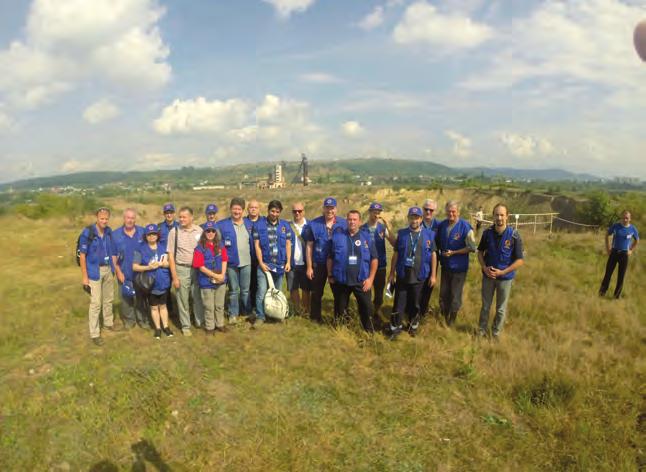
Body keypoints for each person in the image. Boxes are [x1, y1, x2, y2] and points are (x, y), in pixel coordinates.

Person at [477, 204, 524, 340]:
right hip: (488, 276)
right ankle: (481, 331)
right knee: (485, 306)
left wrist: (503, 272)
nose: (499, 218)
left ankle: (495, 333)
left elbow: (520, 260)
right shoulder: (487, 233)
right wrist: (484, 267)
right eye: (497, 215)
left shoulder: (514, 235)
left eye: (502, 215)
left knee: (501, 309)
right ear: (493, 216)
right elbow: (480, 252)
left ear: (507, 216)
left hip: (505, 278)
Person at [388, 207, 437, 337]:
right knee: (399, 304)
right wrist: (392, 273)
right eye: (412, 217)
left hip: (420, 276)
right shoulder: (402, 233)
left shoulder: (429, 235)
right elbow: (396, 254)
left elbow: (433, 255)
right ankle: (395, 329)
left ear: (421, 219)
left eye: (417, 217)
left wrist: (433, 275)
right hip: (403, 276)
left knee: (415, 304)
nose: (414, 220)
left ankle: (412, 326)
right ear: (408, 218)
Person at [327, 210, 378, 332]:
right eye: (350, 219)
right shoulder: (337, 237)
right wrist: (329, 274)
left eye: (355, 219)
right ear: (346, 221)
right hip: (341, 281)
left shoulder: (366, 238)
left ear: (360, 222)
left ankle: (368, 331)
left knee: (367, 308)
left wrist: (370, 279)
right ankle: (341, 330)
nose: (352, 222)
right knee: (340, 308)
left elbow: (374, 259)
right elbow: (330, 257)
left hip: (361, 281)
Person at [78, 207, 120, 346]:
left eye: (106, 218)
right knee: (96, 303)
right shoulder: (88, 233)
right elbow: (82, 256)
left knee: (108, 299)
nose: (104, 221)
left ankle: (108, 323)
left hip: (108, 269)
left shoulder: (109, 232)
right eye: (102, 218)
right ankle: (95, 333)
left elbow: (113, 251)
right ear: (97, 218)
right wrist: (85, 277)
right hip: (94, 271)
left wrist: (114, 269)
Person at [303, 197, 348, 323]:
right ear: (323, 209)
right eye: (327, 208)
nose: (330, 210)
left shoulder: (343, 224)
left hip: (337, 264)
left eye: (332, 208)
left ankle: (339, 319)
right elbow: (309, 246)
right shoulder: (314, 224)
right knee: (317, 293)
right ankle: (315, 318)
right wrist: (309, 266)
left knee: (338, 294)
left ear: (336, 209)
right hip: (319, 264)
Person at [436, 200, 476, 327]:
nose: (451, 214)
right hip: (445, 266)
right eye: (448, 211)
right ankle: (443, 317)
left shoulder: (466, 227)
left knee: (455, 294)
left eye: (453, 211)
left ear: (458, 212)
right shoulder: (442, 226)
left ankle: (451, 321)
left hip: (459, 268)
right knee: (443, 293)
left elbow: (472, 247)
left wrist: (454, 252)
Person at [253, 200, 292, 327]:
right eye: (272, 211)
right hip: (265, 266)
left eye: (277, 212)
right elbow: (257, 246)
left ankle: (277, 314)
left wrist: (288, 262)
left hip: (279, 266)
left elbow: (288, 244)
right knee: (262, 292)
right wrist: (261, 263)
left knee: (277, 292)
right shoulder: (259, 225)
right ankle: (260, 316)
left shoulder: (285, 226)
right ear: (268, 210)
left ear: (280, 212)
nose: (274, 214)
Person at [167, 207, 205, 336]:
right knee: (182, 299)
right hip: (181, 268)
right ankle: (185, 326)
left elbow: (204, 251)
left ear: (191, 217)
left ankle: (200, 321)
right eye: (180, 217)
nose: (181, 219)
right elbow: (170, 255)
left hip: (197, 269)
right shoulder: (174, 232)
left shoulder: (199, 231)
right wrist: (175, 276)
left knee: (197, 296)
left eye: (184, 217)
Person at [132, 224, 173, 339]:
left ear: (157, 235)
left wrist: (165, 264)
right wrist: (148, 267)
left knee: (163, 306)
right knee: (154, 307)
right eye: (149, 234)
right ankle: (158, 329)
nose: (152, 236)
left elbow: (170, 263)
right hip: (150, 283)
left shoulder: (164, 247)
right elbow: (135, 267)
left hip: (163, 281)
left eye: (154, 234)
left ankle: (166, 327)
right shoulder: (140, 249)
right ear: (146, 236)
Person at [216, 197, 253, 324]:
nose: (236, 211)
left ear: (243, 210)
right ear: (230, 209)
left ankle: (246, 311)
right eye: (234, 209)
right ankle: (233, 313)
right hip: (231, 263)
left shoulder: (249, 224)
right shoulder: (222, 225)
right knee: (233, 290)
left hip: (247, 262)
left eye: (239, 209)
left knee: (245, 290)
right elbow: (217, 244)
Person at [361, 202, 396, 327]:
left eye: (378, 212)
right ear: (369, 212)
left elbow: (394, 244)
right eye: (374, 212)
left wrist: (389, 227)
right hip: (366, 267)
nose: (376, 214)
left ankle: (375, 313)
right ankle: (368, 316)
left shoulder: (382, 228)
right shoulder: (362, 228)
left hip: (380, 266)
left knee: (379, 296)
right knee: (366, 293)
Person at [112, 208, 147, 330]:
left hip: (140, 274)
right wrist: (118, 271)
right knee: (126, 299)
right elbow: (113, 256)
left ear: (135, 219)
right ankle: (129, 321)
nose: (130, 220)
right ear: (124, 218)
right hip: (124, 273)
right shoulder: (115, 235)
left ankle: (142, 320)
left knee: (141, 298)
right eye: (128, 217)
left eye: (132, 218)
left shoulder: (142, 232)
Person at [193, 221, 228, 334]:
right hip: (206, 281)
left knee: (219, 305)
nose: (210, 233)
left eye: (213, 231)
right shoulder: (199, 248)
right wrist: (215, 275)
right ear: (204, 232)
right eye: (208, 231)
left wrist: (222, 275)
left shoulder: (220, 245)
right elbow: (200, 267)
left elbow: (224, 260)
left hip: (220, 280)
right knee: (209, 306)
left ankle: (220, 324)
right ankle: (210, 327)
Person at [599, 210, 639, 299]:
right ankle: (602, 293)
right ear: (621, 218)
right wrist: (608, 248)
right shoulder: (616, 226)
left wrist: (631, 250)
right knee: (608, 273)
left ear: (630, 219)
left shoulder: (633, 229)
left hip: (624, 255)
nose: (625, 219)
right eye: (623, 218)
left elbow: (637, 240)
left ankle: (616, 296)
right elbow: (607, 235)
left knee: (621, 276)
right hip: (614, 253)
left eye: (627, 218)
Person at [288, 202, 311, 315]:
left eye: (300, 211)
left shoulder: (310, 226)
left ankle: (306, 311)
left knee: (306, 289)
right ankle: (297, 311)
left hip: (306, 263)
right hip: (292, 263)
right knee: (293, 288)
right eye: (294, 211)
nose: (297, 213)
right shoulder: (287, 226)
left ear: (304, 211)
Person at [419, 199, 440, 318]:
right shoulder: (417, 223)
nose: (428, 212)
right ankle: (412, 311)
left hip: (432, 260)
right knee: (417, 287)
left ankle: (423, 311)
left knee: (429, 286)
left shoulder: (438, 225)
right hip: (418, 261)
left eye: (431, 210)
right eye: (426, 209)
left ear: (434, 211)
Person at [246, 199, 261, 313]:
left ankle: (261, 306)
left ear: (259, 209)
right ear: (247, 209)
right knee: (249, 285)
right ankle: (249, 307)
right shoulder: (243, 222)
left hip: (261, 259)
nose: (253, 209)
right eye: (251, 207)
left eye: (255, 207)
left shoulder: (264, 221)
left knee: (260, 284)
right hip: (247, 258)